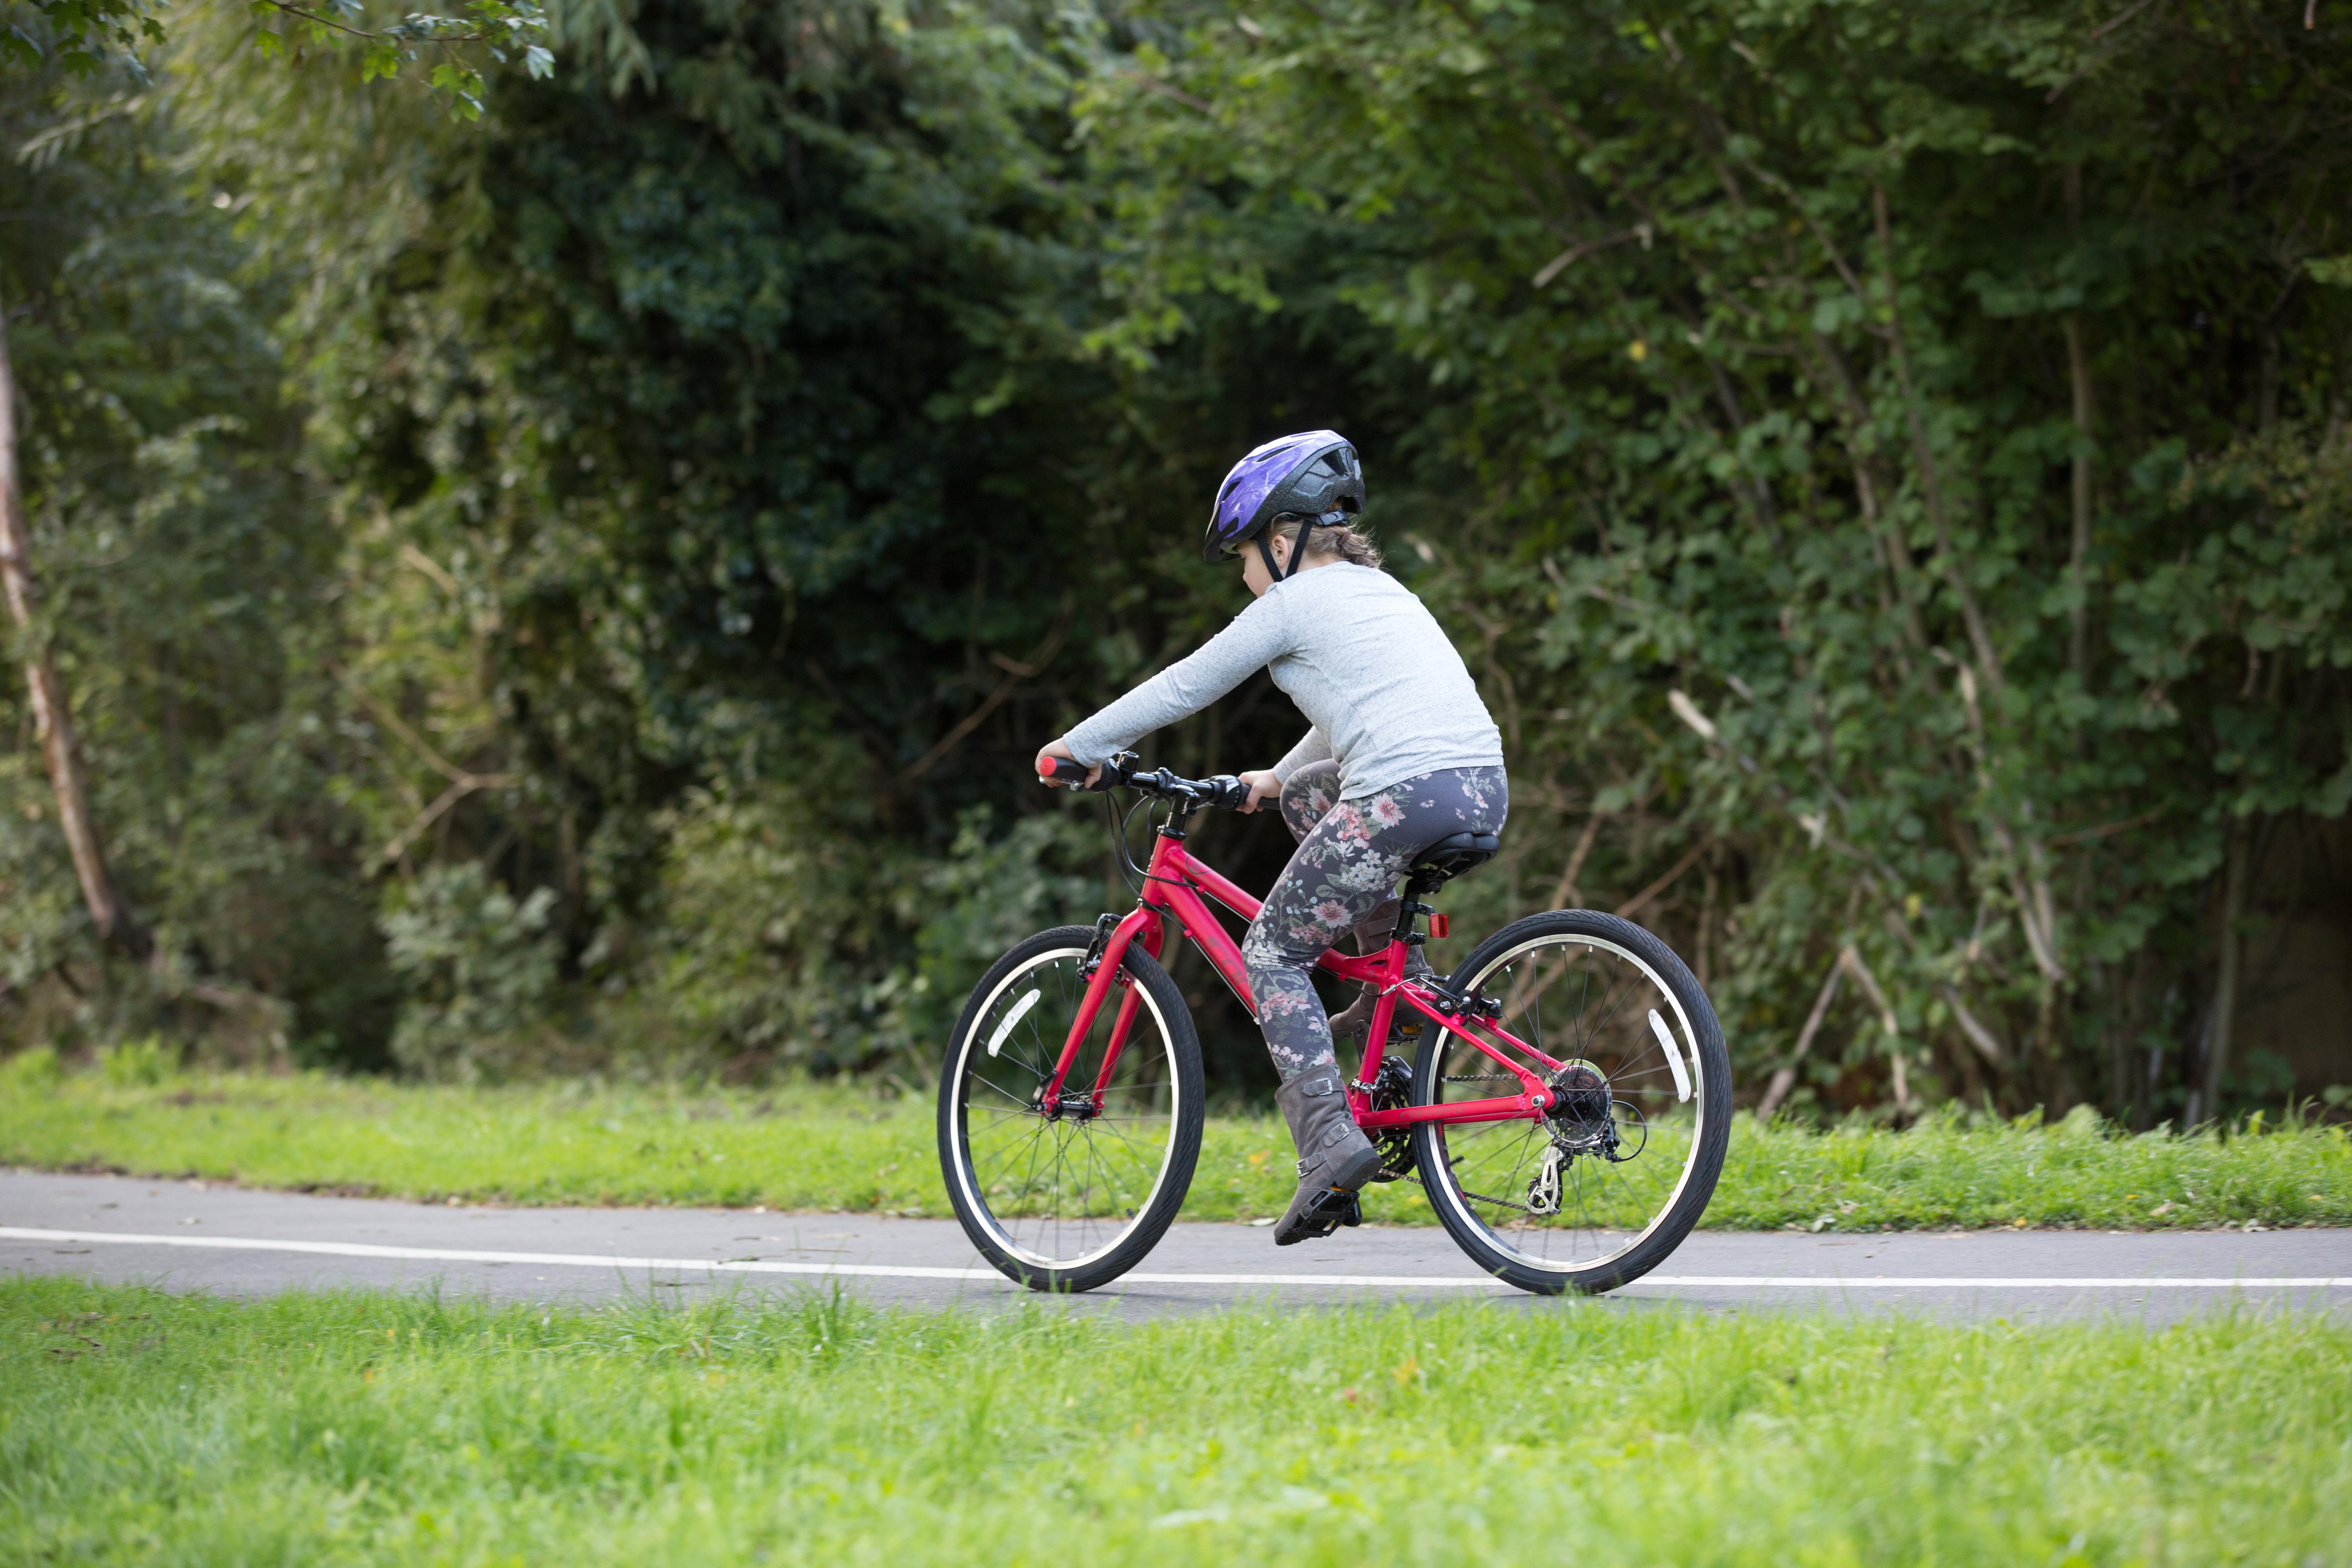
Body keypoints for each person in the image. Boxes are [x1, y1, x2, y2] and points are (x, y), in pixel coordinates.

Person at [1038, 430, 1506, 1245]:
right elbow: (1357, 717)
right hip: (1477, 786)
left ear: (1284, 541)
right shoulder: (1383, 591)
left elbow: (1187, 683)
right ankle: (1396, 990)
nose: (1247, 577)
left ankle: (1328, 1143)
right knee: (1316, 796)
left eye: (1245, 557)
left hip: (1399, 793)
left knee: (1272, 952)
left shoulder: (1290, 604)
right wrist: (1276, 778)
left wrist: (1078, 747)